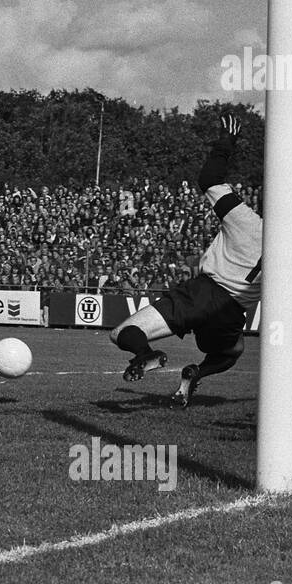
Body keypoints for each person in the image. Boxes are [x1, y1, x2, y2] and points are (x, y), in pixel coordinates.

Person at [109, 116, 261, 408]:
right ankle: (197, 373)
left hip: (202, 292)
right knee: (232, 351)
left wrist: (225, 143)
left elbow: (210, 180)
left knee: (123, 333)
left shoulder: (248, 221)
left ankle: (145, 354)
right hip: (232, 312)